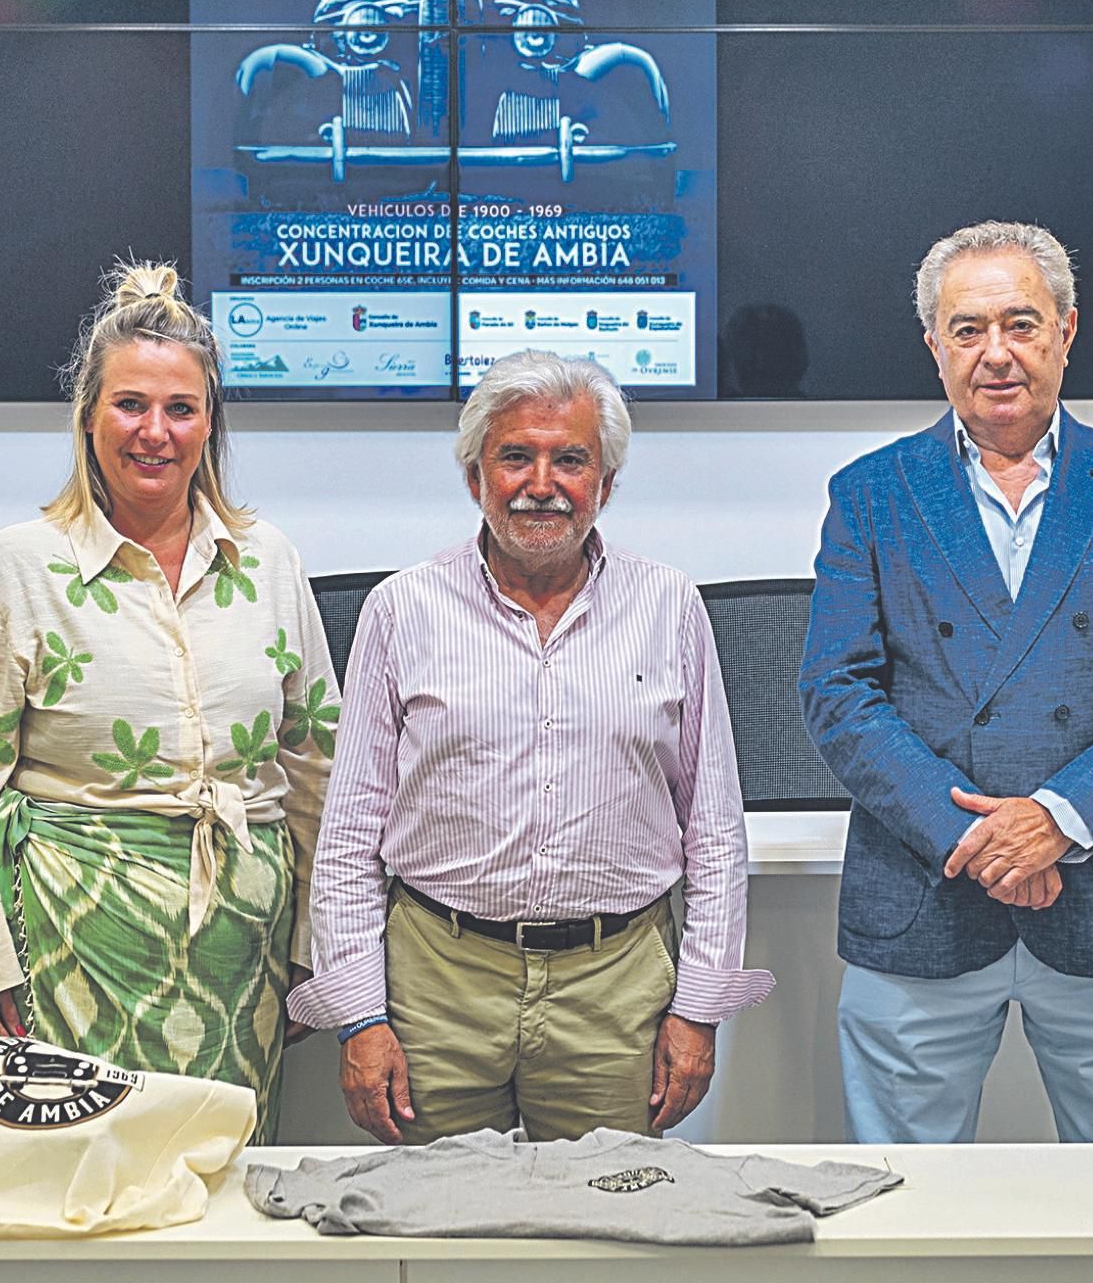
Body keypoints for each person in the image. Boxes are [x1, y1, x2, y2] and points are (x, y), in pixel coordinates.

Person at [0, 261, 340, 1142]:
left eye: (181, 408)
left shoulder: (269, 562)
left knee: (215, 1201)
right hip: (67, 947)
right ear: (88, 416)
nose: (155, 432)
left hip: (237, 959)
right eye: (130, 404)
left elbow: (318, 771)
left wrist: (321, 952)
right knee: (74, 1198)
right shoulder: (14, 568)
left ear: (210, 423)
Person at [799, 222, 1093, 1144]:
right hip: (921, 900)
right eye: (967, 328)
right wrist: (980, 839)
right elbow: (838, 692)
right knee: (908, 1210)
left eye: (1021, 323)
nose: (995, 353)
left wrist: (1056, 821)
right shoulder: (871, 491)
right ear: (933, 346)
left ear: (1067, 332)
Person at [290, 350, 773, 1143]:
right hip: (435, 984)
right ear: (475, 477)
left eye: (570, 459)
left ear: (605, 484)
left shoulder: (669, 606)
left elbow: (713, 830)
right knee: (439, 1230)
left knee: (602, 1235)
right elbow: (347, 836)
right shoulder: (400, 610)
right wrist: (359, 1017)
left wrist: (697, 1007)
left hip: (616, 988)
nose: (540, 483)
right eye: (515, 456)